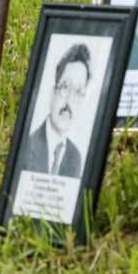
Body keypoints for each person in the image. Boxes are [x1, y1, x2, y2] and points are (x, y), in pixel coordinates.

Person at [23, 43, 91, 178]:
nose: (69, 101)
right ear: (53, 93)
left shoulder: (75, 157)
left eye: (78, 92)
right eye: (66, 87)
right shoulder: (26, 146)